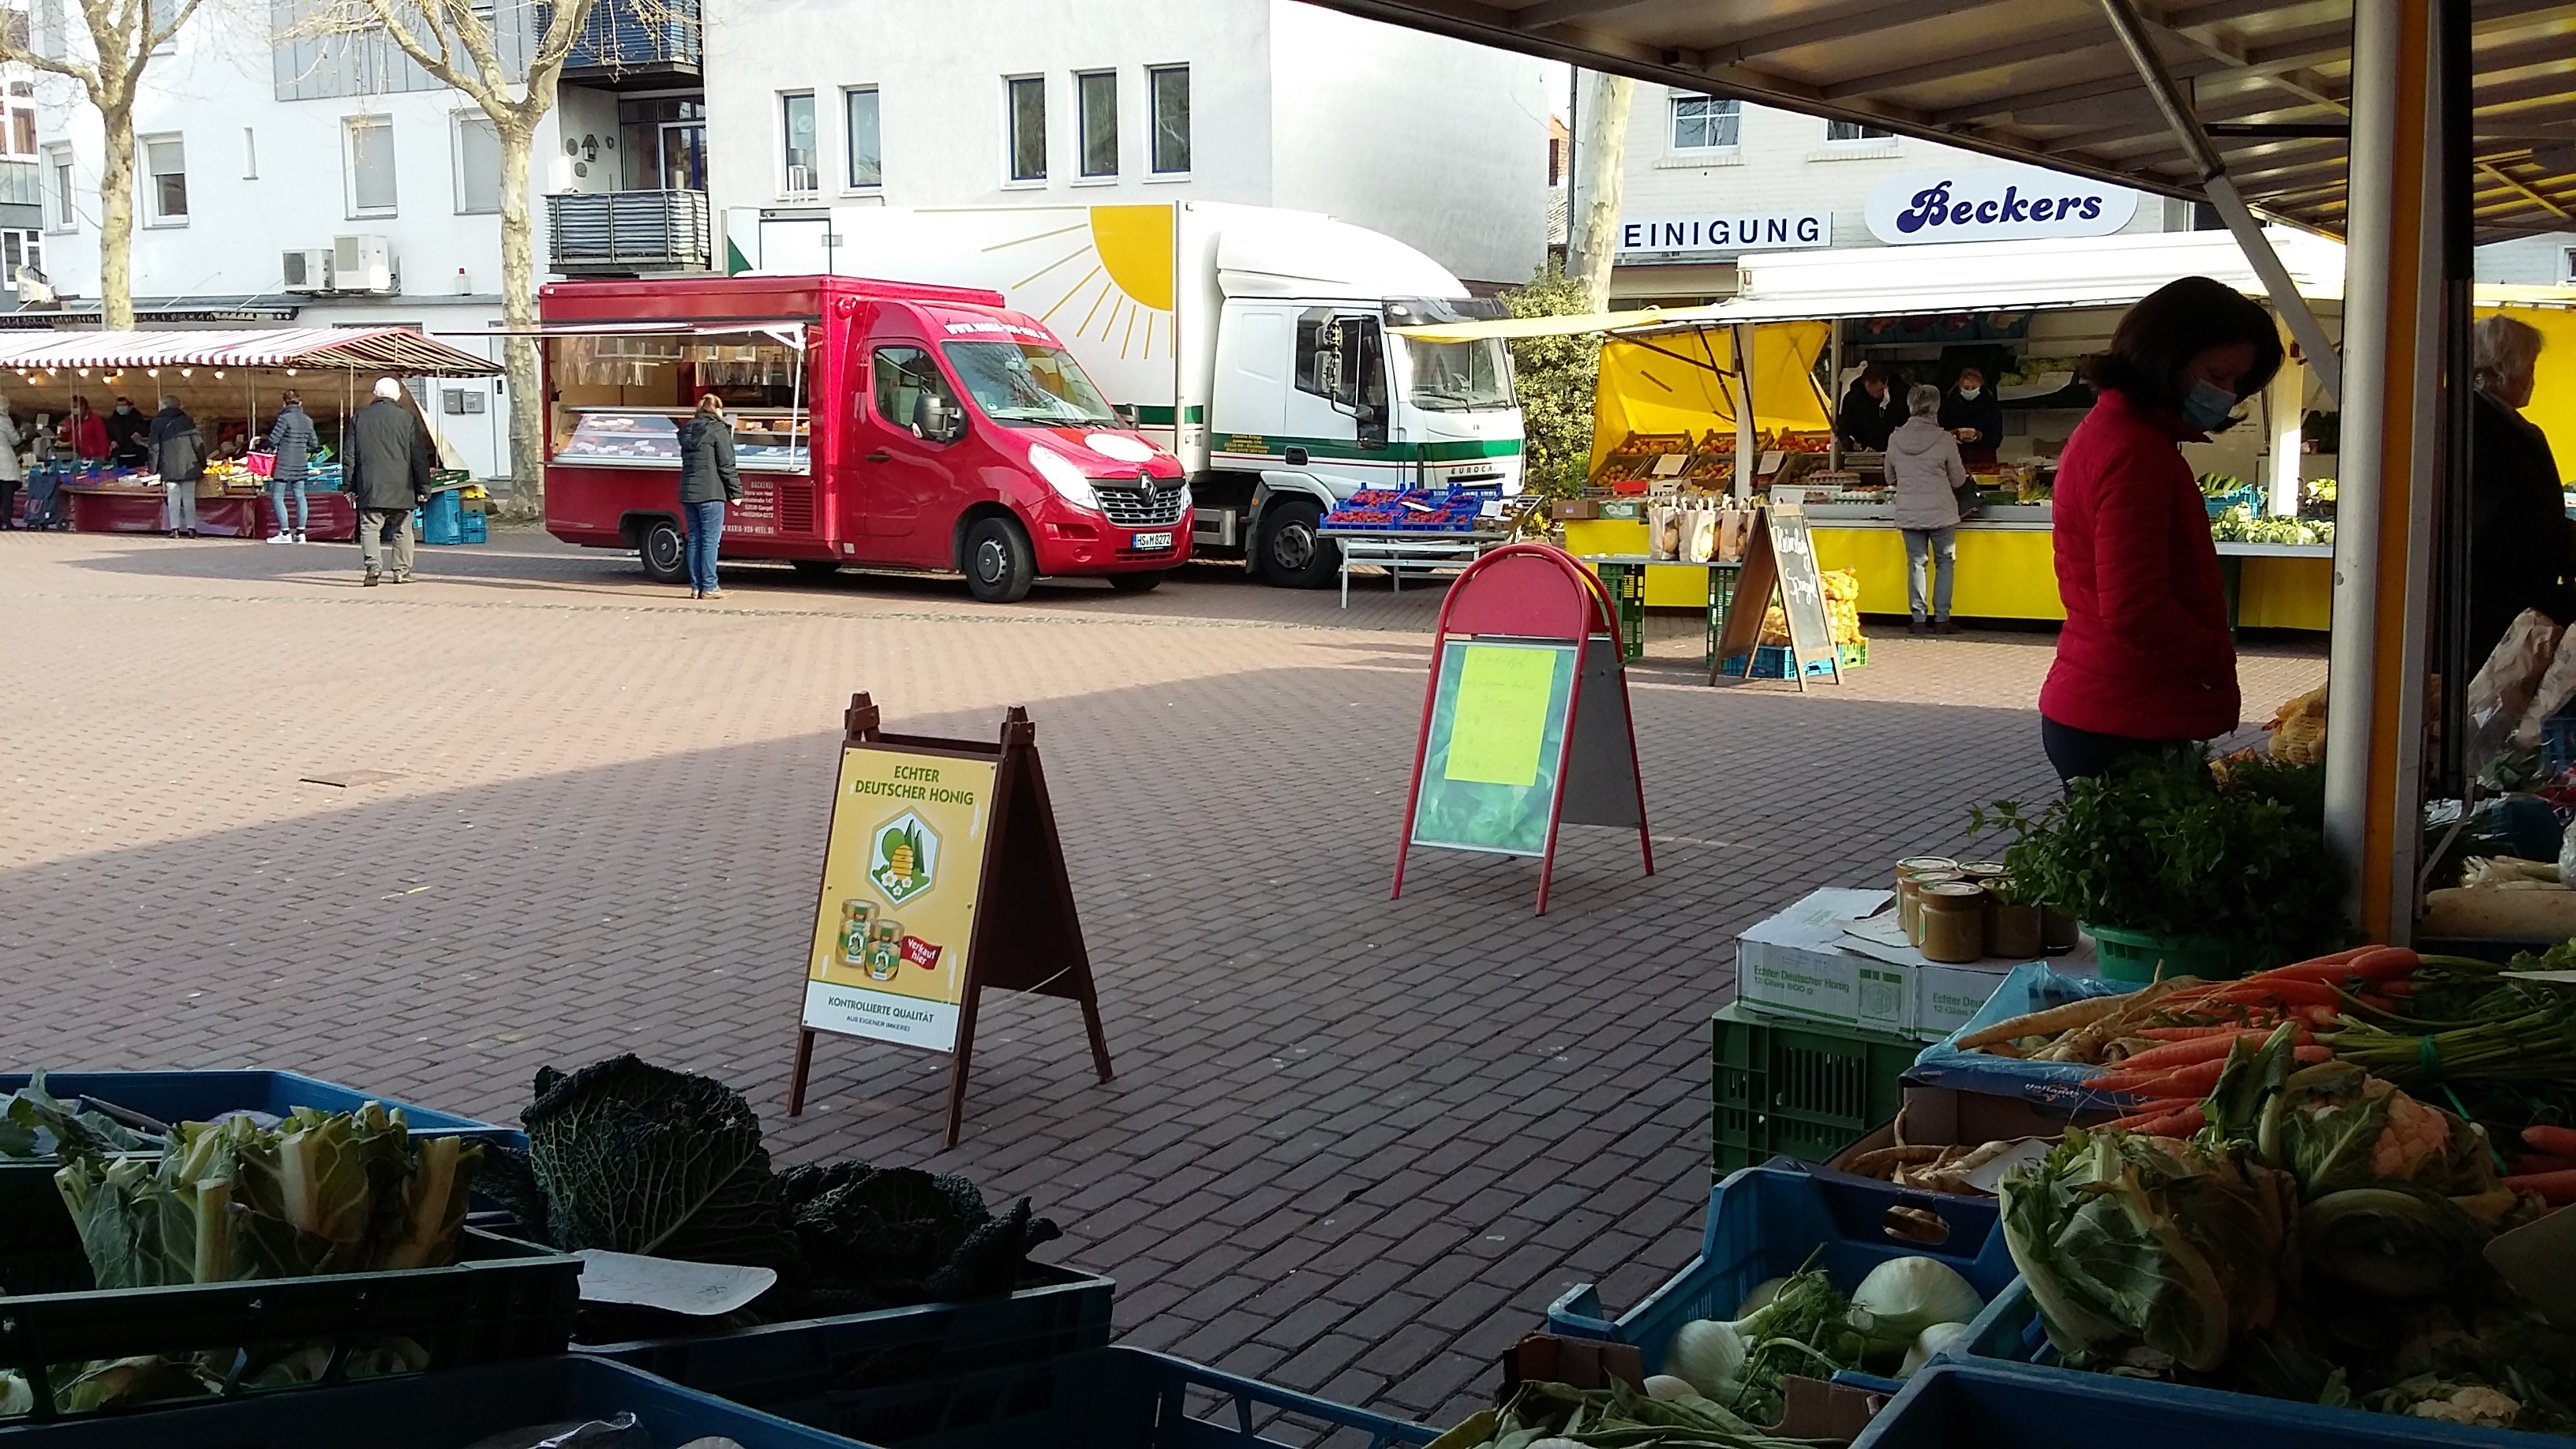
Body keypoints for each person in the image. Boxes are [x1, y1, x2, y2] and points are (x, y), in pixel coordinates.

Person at [2039, 275, 2282, 784]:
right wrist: (2215, 658)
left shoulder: (2119, 433)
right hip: (2122, 713)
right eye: (2218, 374)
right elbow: (2136, 607)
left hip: (2108, 702)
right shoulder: (2134, 451)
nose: (2227, 393)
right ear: (2167, 356)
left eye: (2237, 382)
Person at [2466, 314, 2575, 668]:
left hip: (2515, 602)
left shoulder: (2505, 422)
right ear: (2501, 371)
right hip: (2495, 611)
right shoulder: (2473, 424)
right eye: (2530, 366)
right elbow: (2495, 520)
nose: (2533, 378)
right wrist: (2567, 541)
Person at [1885, 384, 1969, 636]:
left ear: (1910, 406)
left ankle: (1918, 619)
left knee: (1916, 563)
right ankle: (1942, 619)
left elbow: (1890, 477)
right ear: (1936, 407)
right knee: (1945, 562)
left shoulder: (1895, 437)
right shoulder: (1944, 439)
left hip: (1909, 510)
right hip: (1941, 512)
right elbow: (1958, 479)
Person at [346, 377, 431, 586]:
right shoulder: (407, 419)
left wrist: (349, 486)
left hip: (370, 485)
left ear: (375, 393)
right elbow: (418, 456)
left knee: (370, 528)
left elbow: (349, 456)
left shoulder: (360, 418)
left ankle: (374, 567)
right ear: (398, 395)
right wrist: (424, 486)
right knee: (403, 529)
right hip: (402, 485)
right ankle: (401, 571)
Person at [676, 394, 742, 599]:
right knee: (710, 541)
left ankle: (696, 587)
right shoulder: (718, 430)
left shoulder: (687, 431)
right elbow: (726, 464)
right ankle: (710, 586)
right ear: (717, 410)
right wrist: (736, 492)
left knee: (694, 539)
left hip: (688, 492)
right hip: (711, 493)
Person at [264, 390, 319, 544]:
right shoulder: (307, 420)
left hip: (284, 462)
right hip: (301, 462)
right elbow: (314, 444)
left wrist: (264, 445)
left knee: (277, 496)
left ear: (284, 403)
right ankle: (301, 533)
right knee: (300, 496)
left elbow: (273, 440)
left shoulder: (284, 419)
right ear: (300, 403)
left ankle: (285, 532)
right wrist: (301, 447)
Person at [148, 395, 204, 538]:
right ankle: (192, 528)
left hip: (169, 464)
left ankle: (175, 529)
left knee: (173, 497)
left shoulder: (157, 422)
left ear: (163, 405)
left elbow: (154, 447)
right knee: (189, 498)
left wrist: (152, 469)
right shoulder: (187, 420)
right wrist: (203, 463)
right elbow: (198, 443)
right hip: (189, 463)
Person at [1939, 366, 2004, 470]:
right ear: (1959, 386)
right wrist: (1953, 435)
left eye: (1973, 388)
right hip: (1956, 461)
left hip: (1984, 463)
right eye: (1966, 388)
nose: (1970, 391)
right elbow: (1940, 432)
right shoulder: (1948, 405)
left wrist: (1979, 436)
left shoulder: (1991, 406)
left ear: (1980, 386)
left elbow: (1996, 438)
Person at [1835, 365, 1903, 452]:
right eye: (1870, 393)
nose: (1875, 395)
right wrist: (1849, 444)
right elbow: (1843, 425)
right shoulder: (1854, 398)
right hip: (1863, 450)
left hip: (1894, 449)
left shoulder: (1900, 395)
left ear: (1885, 385)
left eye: (1878, 391)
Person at [103, 396, 149, 467]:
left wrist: (139, 436)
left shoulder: (138, 419)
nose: (120, 408)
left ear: (130, 407)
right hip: (119, 455)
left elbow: (145, 433)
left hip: (136, 455)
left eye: (123, 406)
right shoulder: (112, 421)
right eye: (118, 406)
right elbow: (108, 435)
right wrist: (112, 442)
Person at [62, 396, 107, 464]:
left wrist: (103, 456)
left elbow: (102, 438)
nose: (74, 409)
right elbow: (64, 439)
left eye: (76, 407)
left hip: (92, 458)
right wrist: (64, 432)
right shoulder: (70, 420)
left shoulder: (95, 420)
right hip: (74, 457)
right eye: (72, 407)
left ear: (83, 407)